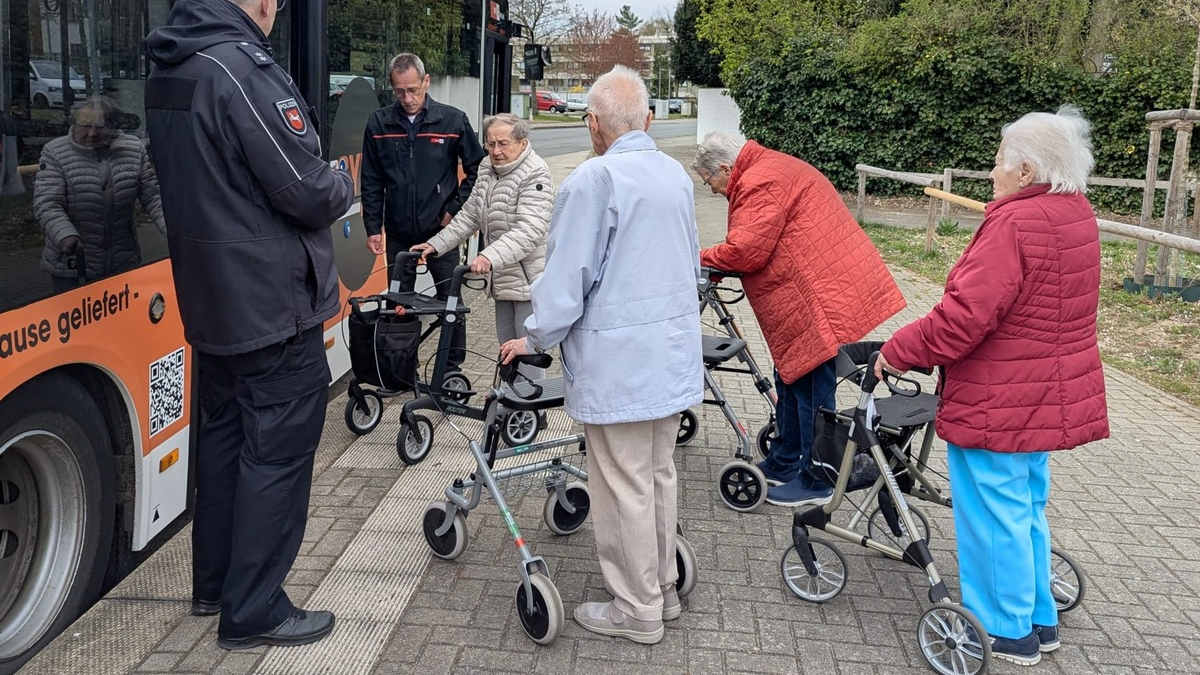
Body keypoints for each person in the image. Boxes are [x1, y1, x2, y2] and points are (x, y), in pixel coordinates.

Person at [144, 0, 356, 651]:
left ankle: (214, 587)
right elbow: (306, 190)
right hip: (270, 307)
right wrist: (343, 181)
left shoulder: (171, 66)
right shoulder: (240, 68)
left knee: (223, 446)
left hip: (212, 304)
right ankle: (254, 609)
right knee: (277, 454)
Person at [874, 105, 1109, 666]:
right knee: (1024, 506)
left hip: (999, 396)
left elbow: (964, 318)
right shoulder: (1075, 211)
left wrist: (897, 350)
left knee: (991, 516)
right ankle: (1038, 617)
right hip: (1044, 392)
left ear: (1026, 171)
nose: (991, 171)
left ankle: (1006, 628)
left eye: (1000, 160)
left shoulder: (1013, 223)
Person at [500, 65, 703, 645]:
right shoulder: (674, 174)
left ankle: (636, 608)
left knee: (621, 486)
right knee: (658, 475)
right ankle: (661, 590)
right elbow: (690, 264)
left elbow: (567, 281)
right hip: (669, 356)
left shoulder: (595, 180)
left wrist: (533, 336)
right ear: (646, 120)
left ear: (592, 124)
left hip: (620, 365)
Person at [693, 131, 905, 507]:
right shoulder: (767, 168)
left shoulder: (759, 180)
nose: (711, 190)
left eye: (709, 181)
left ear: (725, 168)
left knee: (810, 386)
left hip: (812, 295)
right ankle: (785, 459)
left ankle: (818, 477)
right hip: (812, 288)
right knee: (790, 376)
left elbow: (745, 251)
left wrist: (696, 257)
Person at [361, 53, 485, 373]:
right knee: (399, 303)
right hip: (398, 231)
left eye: (413, 90)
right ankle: (402, 369)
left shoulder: (453, 120)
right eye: (399, 91)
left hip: (441, 232)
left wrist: (454, 210)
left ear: (426, 82)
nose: (407, 98)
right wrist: (373, 226)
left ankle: (451, 369)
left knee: (450, 300)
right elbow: (371, 179)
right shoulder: (379, 124)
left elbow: (478, 170)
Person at [411, 112, 551, 379]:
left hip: (528, 281)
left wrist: (488, 257)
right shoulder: (488, 167)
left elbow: (530, 230)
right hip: (502, 278)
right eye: (490, 143)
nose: (496, 151)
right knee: (507, 350)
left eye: (503, 144)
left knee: (527, 353)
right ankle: (509, 398)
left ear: (522, 143)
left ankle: (530, 403)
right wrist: (435, 244)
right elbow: (471, 214)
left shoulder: (535, 173)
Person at [34, 96, 165, 292]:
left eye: (101, 126)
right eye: (85, 125)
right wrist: (64, 234)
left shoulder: (134, 150)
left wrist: (174, 231)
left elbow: (152, 197)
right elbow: (47, 203)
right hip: (73, 264)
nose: (92, 133)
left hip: (122, 261)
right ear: (74, 123)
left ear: (113, 126)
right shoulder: (55, 152)